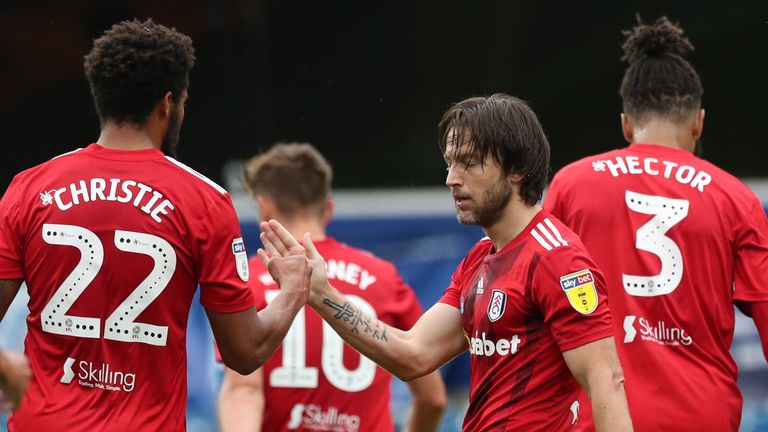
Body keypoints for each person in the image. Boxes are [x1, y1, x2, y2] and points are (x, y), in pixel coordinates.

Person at [0, 19, 311, 430]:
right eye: (183, 101)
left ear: (102, 100)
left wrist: (6, 367)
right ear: (168, 103)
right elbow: (244, 350)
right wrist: (292, 291)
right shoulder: (204, 200)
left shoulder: (30, 188)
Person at [258, 94, 634, 431]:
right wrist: (320, 292)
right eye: (450, 163)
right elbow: (413, 353)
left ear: (516, 169)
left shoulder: (558, 257)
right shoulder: (480, 258)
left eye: (468, 164)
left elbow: (607, 381)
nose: (452, 179)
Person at [543, 16, 768, 432]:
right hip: (702, 417)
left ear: (626, 124)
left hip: (598, 416)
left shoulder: (571, 185)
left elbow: (528, 309)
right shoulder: (736, 199)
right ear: (698, 121)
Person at [217, 142, 447, 432]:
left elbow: (244, 390)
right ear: (328, 208)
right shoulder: (383, 277)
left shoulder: (250, 276)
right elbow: (433, 398)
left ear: (265, 206)